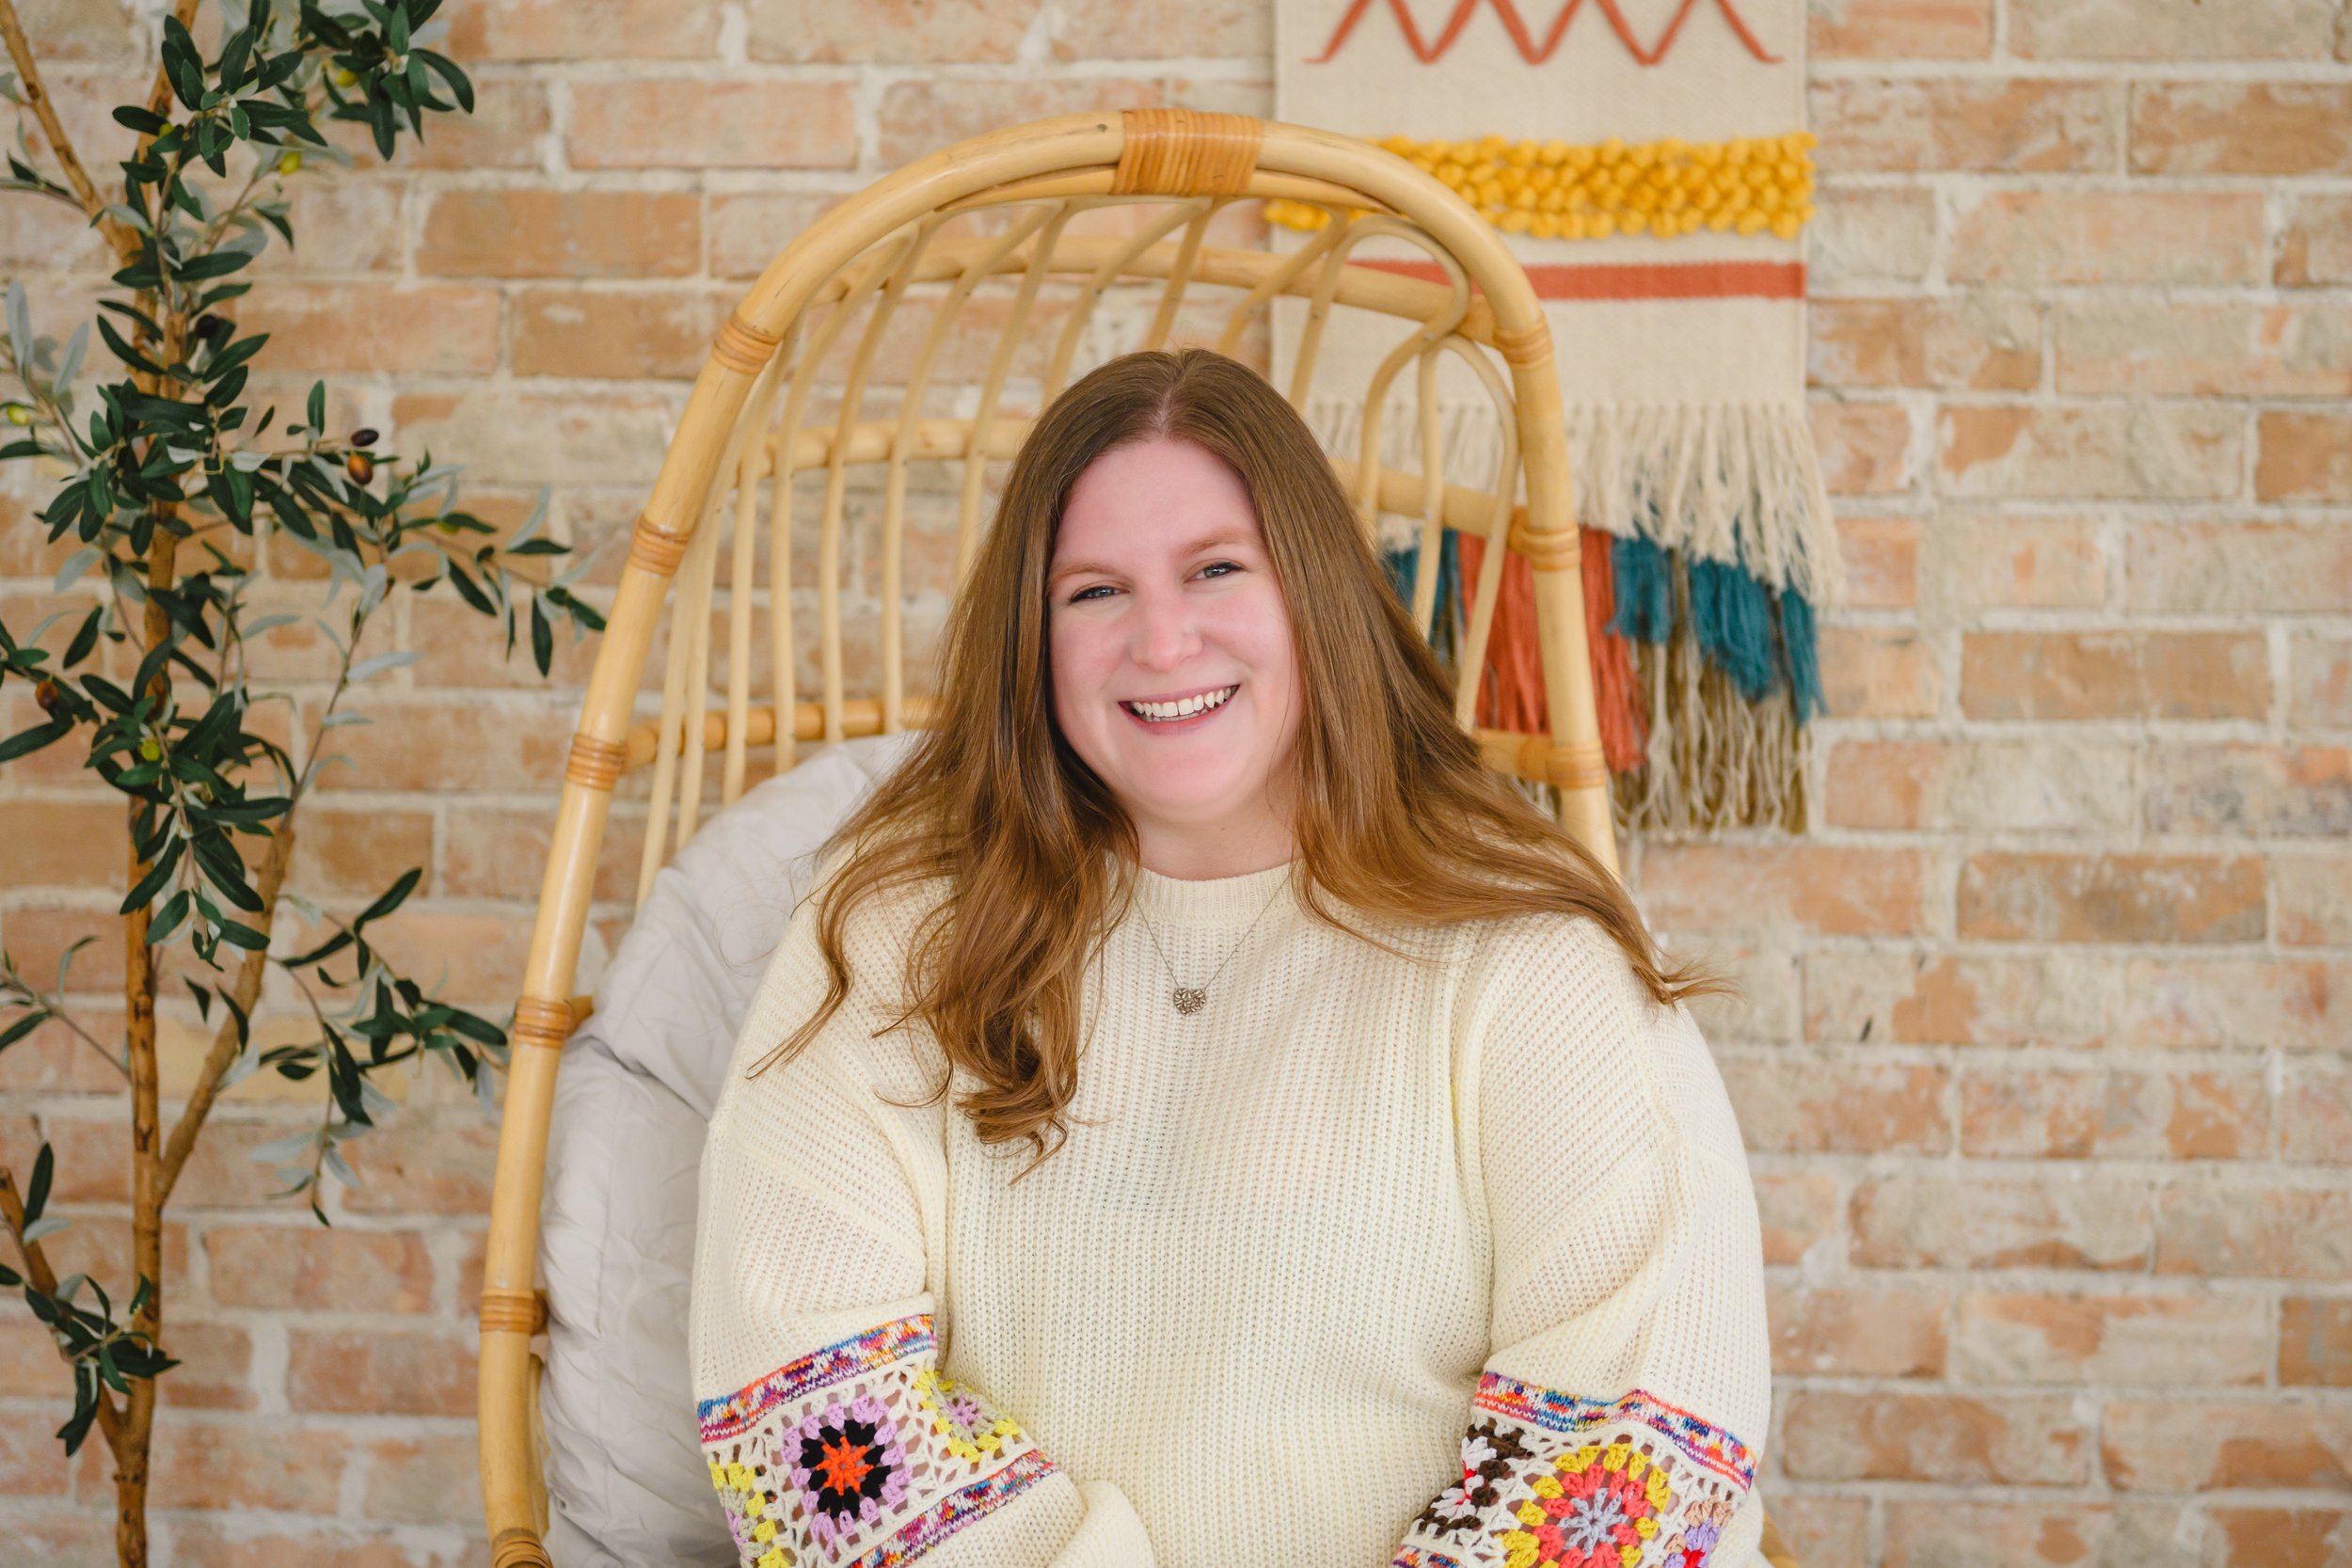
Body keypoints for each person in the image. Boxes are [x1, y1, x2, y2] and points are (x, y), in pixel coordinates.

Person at [687, 347, 1773, 1568]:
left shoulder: (1530, 955)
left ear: (1315, 594)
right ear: (1030, 647)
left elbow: (1636, 1433)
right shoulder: (896, 932)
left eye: (1215, 570)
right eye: (1093, 592)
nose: (1163, 639)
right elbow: (805, 1402)